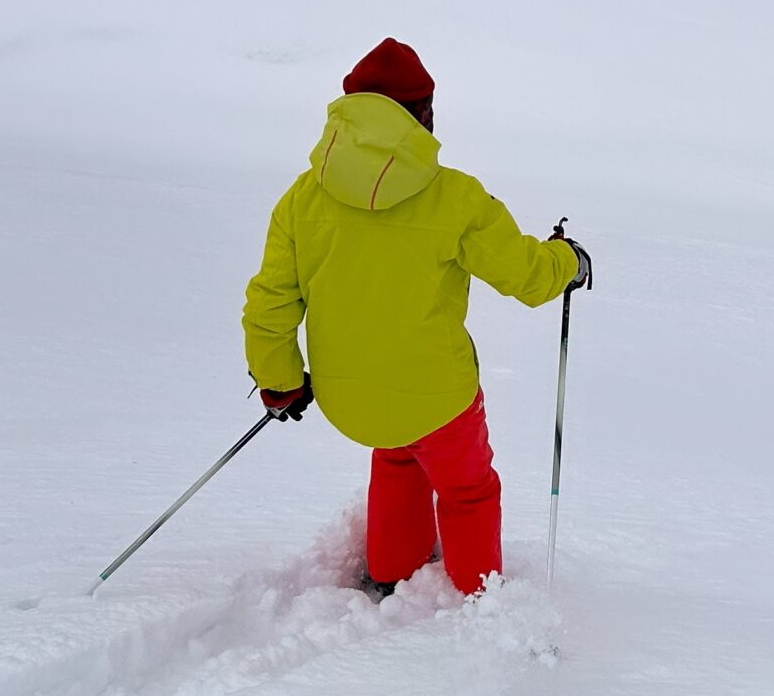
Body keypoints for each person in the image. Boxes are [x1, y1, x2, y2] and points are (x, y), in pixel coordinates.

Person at [243, 38, 590, 599]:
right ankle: (479, 598)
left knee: (398, 452)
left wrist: (279, 382)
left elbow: (270, 305)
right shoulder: (453, 197)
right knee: (467, 488)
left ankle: (391, 570)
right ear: (422, 115)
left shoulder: (303, 199)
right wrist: (567, 261)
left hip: (349, 402)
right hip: (438, 398)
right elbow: (526, 276)